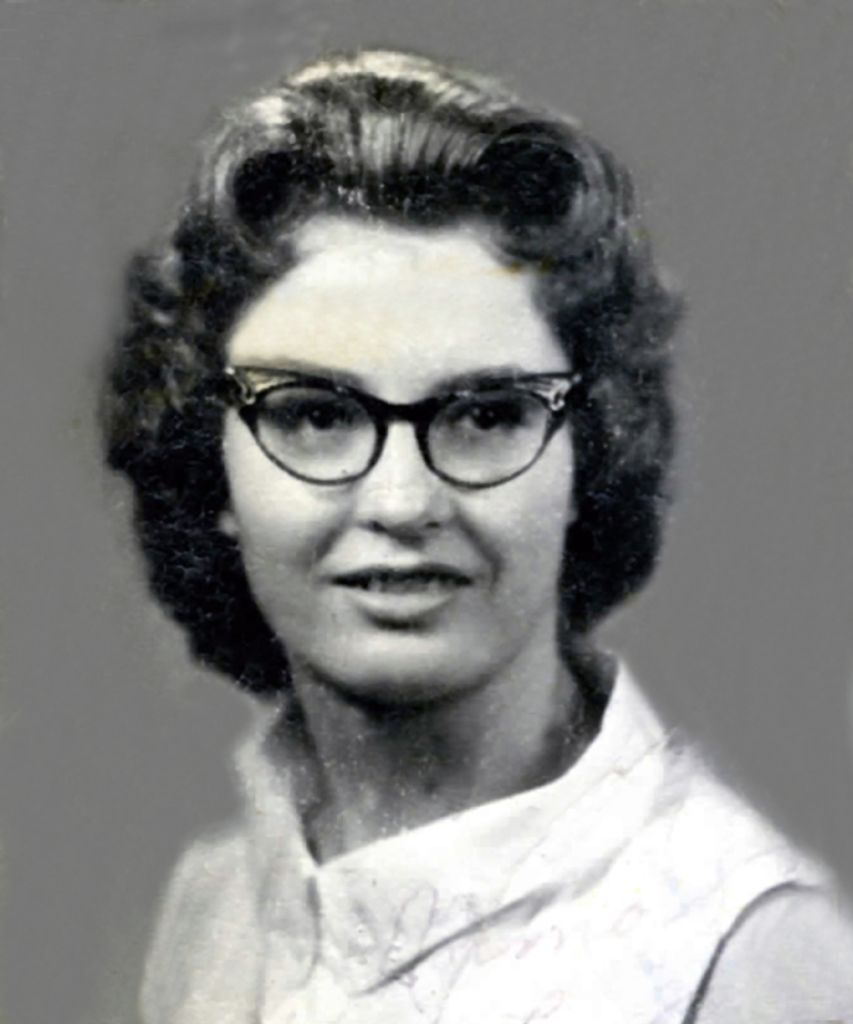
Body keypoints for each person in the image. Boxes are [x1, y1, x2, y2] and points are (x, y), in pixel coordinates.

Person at [101, 49, 853, 1024]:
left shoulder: (748, 955)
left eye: (487, 415)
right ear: (211, 464)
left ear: (590, 455)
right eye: (315, 414)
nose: (402, 501)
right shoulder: (217, 904)